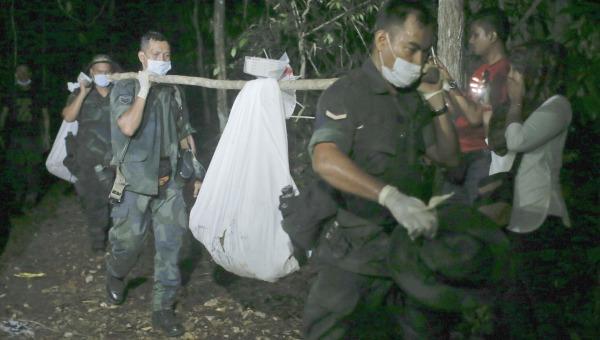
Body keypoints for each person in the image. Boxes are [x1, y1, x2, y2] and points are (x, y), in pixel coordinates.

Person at [302, 1, 461, 338]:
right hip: (354, 258)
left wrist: (437, 101)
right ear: (381, 40)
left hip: (406, 257)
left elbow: (448, 156)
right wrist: (390, 197)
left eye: (425, 52)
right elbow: (325, 159)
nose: (418, 63)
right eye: (411, 49)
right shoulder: (347, 93)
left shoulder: (410, 99)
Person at [105, 31, 202, 337]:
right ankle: (116, 274)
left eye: (167, 55)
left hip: (170, 182)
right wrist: (143, 89)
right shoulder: (124, 86)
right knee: (128, 244)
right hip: (134, 183)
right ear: (142, 57)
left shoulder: (173, 90)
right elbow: (128, 126)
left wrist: (196, 171)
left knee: (170, 247)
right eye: (156, 55)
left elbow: (185, 132)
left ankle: (162, 308)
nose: (163, 61)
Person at [493, 41, 572, 339]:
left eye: (517, 70)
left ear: (536, 72)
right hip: (524, 216)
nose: (511, 76)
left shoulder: (557, 106)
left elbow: (517, 140)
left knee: (542, 308)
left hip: (542, 215)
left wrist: (515, 103)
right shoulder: (538, 108)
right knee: (517, 307)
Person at [439, 8, 511, 204]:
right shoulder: (481, 70)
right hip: (460, 151)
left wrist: (450, 83)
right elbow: (464, 110)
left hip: (479, 152)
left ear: (493, 36)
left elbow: (475, 117)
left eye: (476, 35)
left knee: (472, 213)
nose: (471, 41)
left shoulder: (504, 72)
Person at [61, 54, 121, 253]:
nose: (103, 75)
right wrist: (83, 93)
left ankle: (119, 241)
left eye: (107, 71)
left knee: (118, 202)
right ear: (91, 73)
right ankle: (97, 242)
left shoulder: (120, 93)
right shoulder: (81, 93)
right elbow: (69, 116)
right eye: (99, 72)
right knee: (94, 204)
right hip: (88, 160)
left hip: (116, 158)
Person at [1, 64, 50, 213]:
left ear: (29, 73)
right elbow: (4, 113)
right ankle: (18, 197)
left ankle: (31, 196)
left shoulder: (37, 92)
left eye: (25, 71)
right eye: (19, 71)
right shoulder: (10, 92)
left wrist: (46, 135)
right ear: (15, 74)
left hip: (33, 135)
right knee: (16, 167)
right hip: (15, 135)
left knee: (33, 167)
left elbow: (45, 115)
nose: (22, 74)